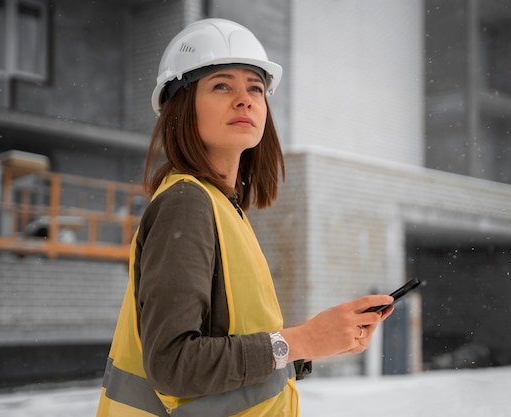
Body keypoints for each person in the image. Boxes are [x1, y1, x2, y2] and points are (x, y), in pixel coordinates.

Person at [96, 18, 394, 417]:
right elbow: (175, 365)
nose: (245, 99)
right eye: (222, 85)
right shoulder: (187, 203)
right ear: (181, 106)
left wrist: (320, 341)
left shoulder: (225, 207)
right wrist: (301, 340)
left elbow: (231, 352)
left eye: (255, 87)